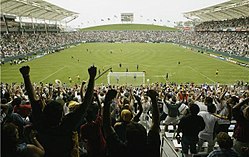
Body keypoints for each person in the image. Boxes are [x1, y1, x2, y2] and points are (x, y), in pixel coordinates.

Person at [19, 65, 96, 157]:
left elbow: (33, 100)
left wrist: (26, 76)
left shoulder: (41, 124)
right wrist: (92, 78)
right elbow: (86, 104)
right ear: (61, 116)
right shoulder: (66, 126)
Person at [103, 89, 160, 157]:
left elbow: (107, 127)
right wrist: (153, 99)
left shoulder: (120, 150)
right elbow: (155, 123)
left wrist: (107, 101)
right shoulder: (151, 150)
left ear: (127, 137)